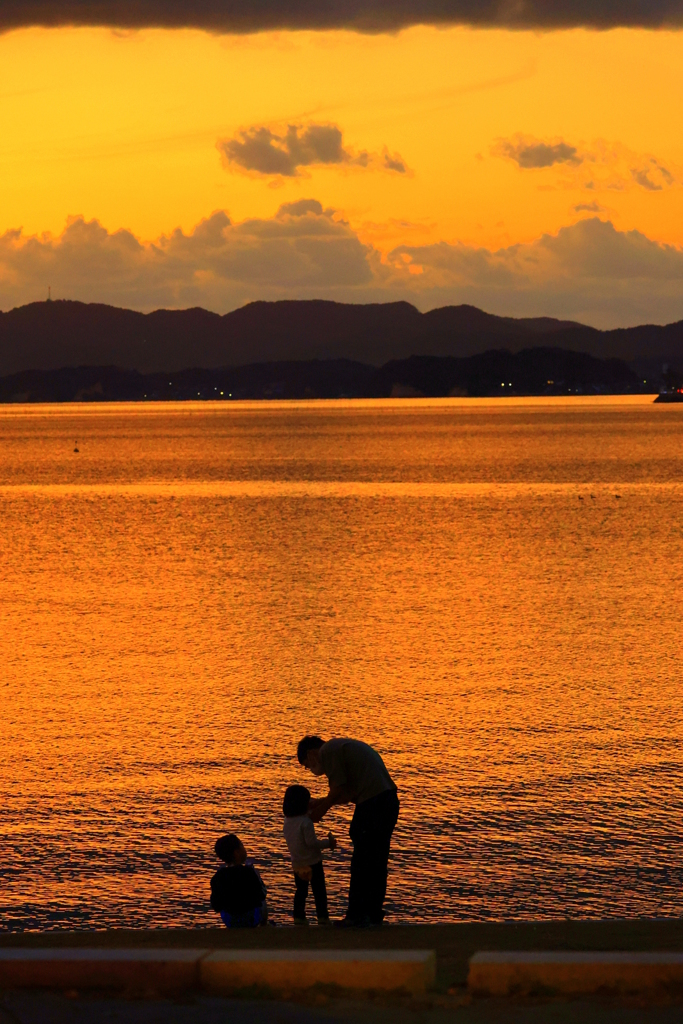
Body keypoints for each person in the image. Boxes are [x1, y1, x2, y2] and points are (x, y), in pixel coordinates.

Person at [297, 736, 399, 927]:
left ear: (311, 753)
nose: (310, 770)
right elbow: (348, 794)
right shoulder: (342, 749)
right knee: (377, 861)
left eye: (306, 765)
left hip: (373, 804)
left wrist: (321, 810)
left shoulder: (328, 751)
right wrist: (321, 802)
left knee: (362, 861)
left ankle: (357, 915)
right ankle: (372, 914)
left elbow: (338, 789)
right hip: (387, 801)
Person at [282, 784, 337, 926]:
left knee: (301, 891)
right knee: (319, 892)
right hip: (313, 862)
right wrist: (328, 843)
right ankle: (323, 918)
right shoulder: (306, 823)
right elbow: (311, 843)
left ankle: (299, 917)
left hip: (297, 863)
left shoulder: (287, 821)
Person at [209, 833, 268, 927]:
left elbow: (216, 905)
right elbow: (261, 894)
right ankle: (263, 925)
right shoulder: (249, 872)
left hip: (230, 920)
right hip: (251, 918)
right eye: (242, 846)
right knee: (263, 903)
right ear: (236, 853)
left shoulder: (218, 876)